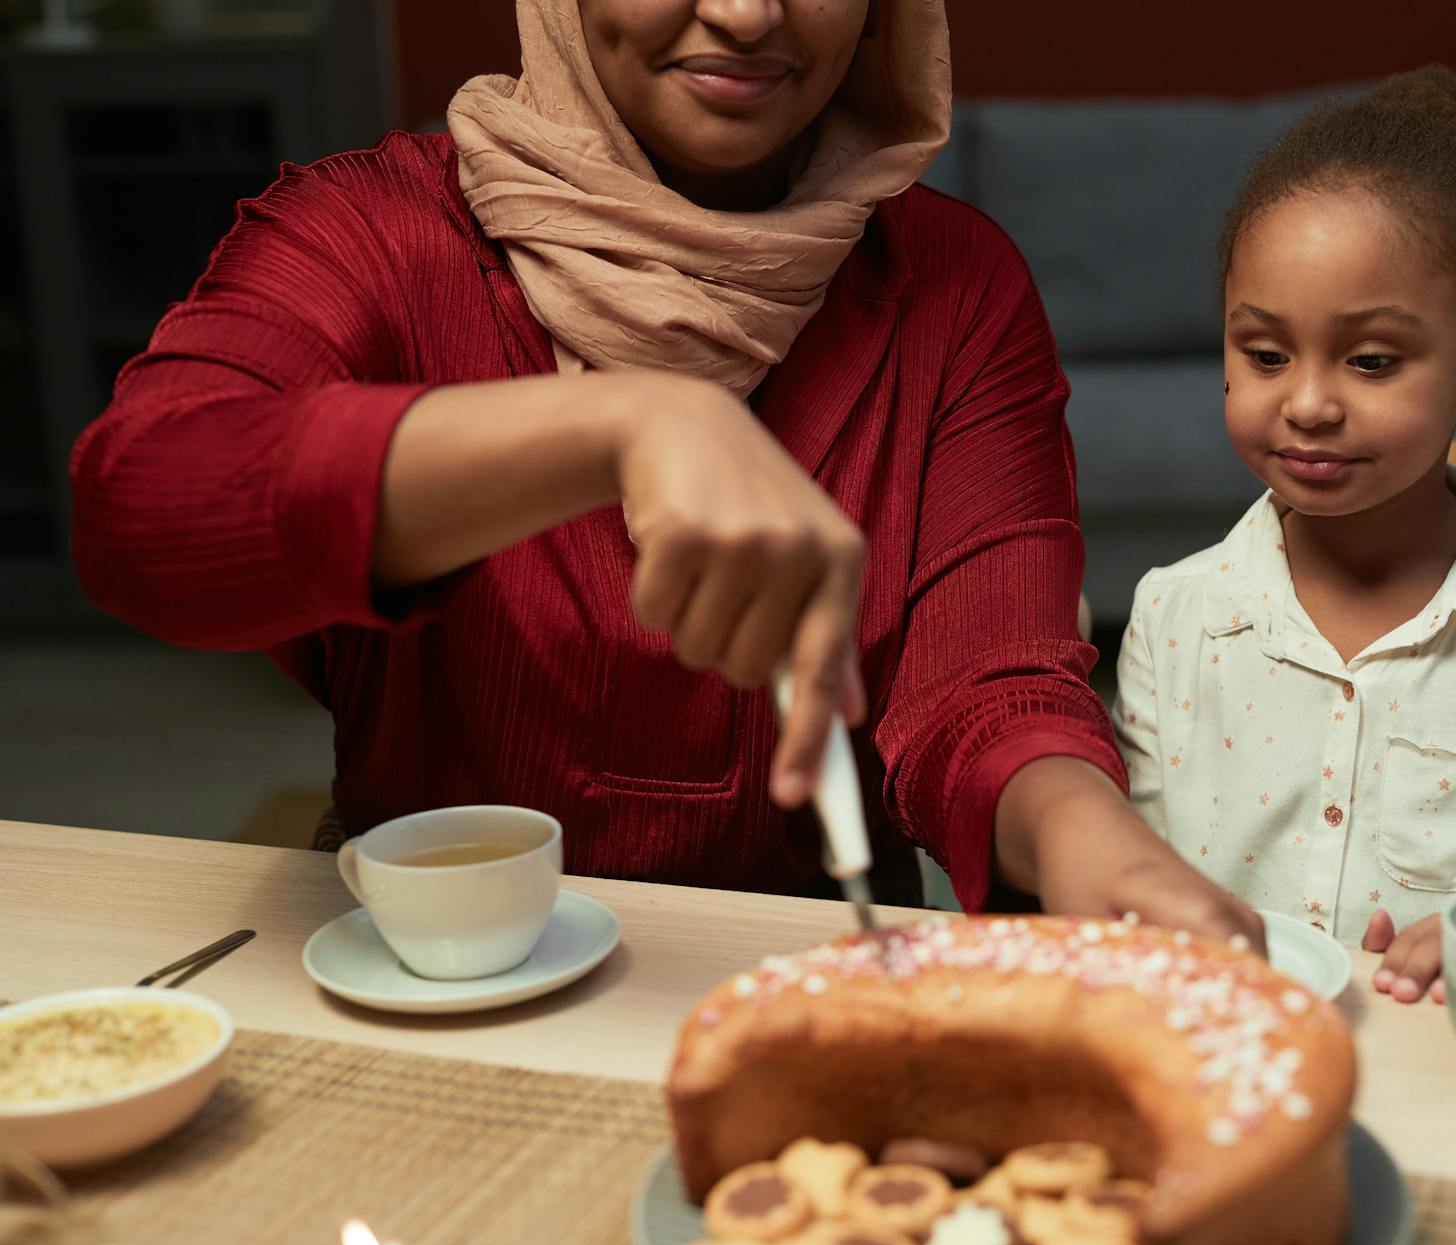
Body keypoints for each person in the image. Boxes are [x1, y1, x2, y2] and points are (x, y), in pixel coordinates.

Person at [69, 0, 1261, 944]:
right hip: (426, 954)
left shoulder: (953, 288)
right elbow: (140, 505)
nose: (746, 13)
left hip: (804, 951)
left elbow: (989, 679)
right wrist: (617, 424)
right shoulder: (369, 231)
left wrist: (1086, 834)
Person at [1112, 66, 1456, 999]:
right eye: (1262, 354)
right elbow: (1136, 895)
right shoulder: (1175, 616)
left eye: (1372, 360)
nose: (1305, 403)